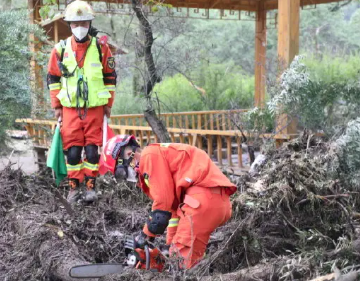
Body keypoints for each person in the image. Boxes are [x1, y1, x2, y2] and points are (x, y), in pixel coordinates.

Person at [101, 135, 237, 269]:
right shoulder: (154, 164)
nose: (125, 179)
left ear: (129, 155)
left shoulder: (149, 156)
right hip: (213, 202)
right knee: (175, 257)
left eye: (120, 174)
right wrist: (169, 245)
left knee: (181, 265)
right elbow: (172, 211)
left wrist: (144, 236)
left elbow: (162, 205)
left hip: (202, 200)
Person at [46, 0, 117, 203]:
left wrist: (109, 104)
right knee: (74, 151)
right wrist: (56, 107)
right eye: (76, 24)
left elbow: (110, 78)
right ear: (69, 25)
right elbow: (52, 78)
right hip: (69, 109)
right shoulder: (60, 50)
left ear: (90, 24)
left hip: (95, 108)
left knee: (93, 151)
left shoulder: (102, 48)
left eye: (84, 23)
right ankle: (73, 187)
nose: (80, 28)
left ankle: (90, 187)